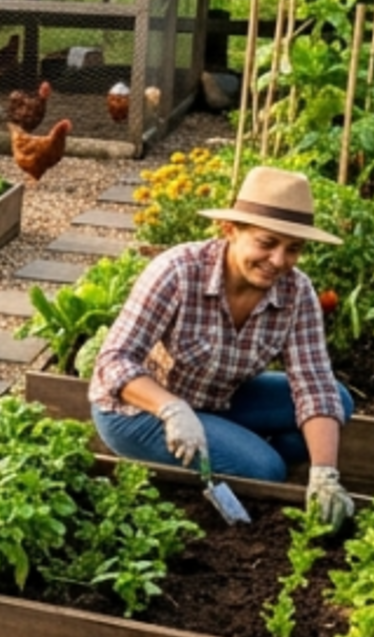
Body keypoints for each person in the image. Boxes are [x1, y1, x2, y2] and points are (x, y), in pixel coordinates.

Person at [88, 165, 359, 523]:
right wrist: (171, 409)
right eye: (267, 243)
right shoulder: (178, 272)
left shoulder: (296, 292)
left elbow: (315, 383)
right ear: (230, 230)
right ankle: (242, 460)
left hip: (216, 400)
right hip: (137, 412)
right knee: (266, 471)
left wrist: (325, 473)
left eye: (293, 249)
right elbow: (113, 362)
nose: (279, 261)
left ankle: (229, 450)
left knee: (337, 401)